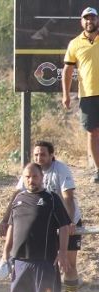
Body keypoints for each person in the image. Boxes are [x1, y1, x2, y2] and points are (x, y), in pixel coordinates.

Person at [0, 141, 82, 292]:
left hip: (65, 218)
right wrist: (5, 219)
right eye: (36, 155)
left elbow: (67, 197)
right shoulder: (31, 172)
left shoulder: (61, 170)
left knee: (68, 264)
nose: (39, 158)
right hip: (44, 220)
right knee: (44, 262)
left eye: (42, 154)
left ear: (52, 155)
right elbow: (16, 196)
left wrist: (69, 221)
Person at [3, 163, 71, 292]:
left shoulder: (51, 198)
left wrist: (63, 252)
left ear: (42, 177)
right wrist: (5, 255)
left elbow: (64, 227)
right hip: (21, 260)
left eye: (34, 176)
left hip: (45, 260)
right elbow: (11, 228)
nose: (31, 180)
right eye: (27, 177)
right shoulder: (18, 198)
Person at [63, 7, 99, 183]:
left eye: (92, 18)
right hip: (88, 94)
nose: (89, 21)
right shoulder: (75, 43)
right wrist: (66, 94)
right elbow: (67, 70)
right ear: (81, 21)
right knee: (92, 133)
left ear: (97, 20)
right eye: (86, 18)